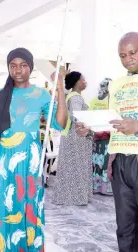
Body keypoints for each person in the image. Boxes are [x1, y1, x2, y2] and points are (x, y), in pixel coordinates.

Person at [0, 47, 67, 251]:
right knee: (2, 207)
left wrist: (60, 89)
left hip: (31, 162)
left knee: (29, 207)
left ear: (31, 68)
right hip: (5, 161)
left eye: (23, 65)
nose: (18, 70)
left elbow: (59, 124)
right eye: (13, 66)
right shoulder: (1, 94)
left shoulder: (40, 94)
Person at [76, 32, 138, 252]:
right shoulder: (116, 85)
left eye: (133, 52)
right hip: (118, 161)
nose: (128, 59)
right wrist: (90, 129)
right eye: (123, 55)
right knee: (124, 228)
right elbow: (111, 121)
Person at [52, 71, 93, 206]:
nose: (85, 81)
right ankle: (76, 197)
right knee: (77, 168)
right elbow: (77, 117)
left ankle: (70, 196)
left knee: (71, 167)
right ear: (76, 82)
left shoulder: (71, 96)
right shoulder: (75, 98)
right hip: (77, 137)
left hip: (72, 135)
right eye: (83, 79)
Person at [89, 78, 113, 195]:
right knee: (105, 161)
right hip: (107, 136)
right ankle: (105, 188)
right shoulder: (110, 100)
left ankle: (96, 187)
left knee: (96, 160)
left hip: (96, 135)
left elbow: (90, 116)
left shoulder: (94, 100)